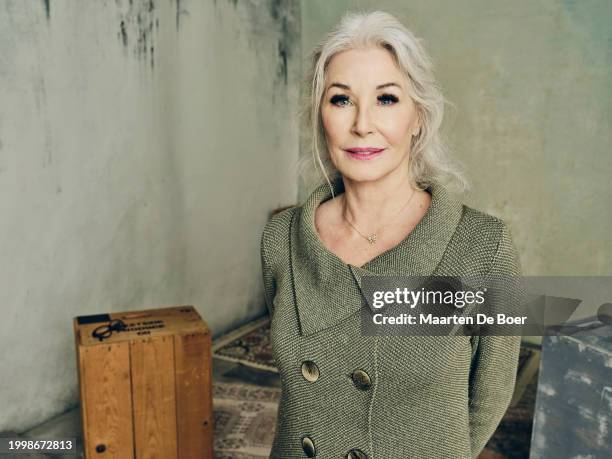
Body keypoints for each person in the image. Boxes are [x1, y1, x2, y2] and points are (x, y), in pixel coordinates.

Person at [260, 10, 522, 459]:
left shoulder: (484, 247)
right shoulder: (281, 238)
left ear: (418, 117)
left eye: (386, 99)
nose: (362, 124)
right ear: (320, 114)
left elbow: (490, 396)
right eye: (341, 100)